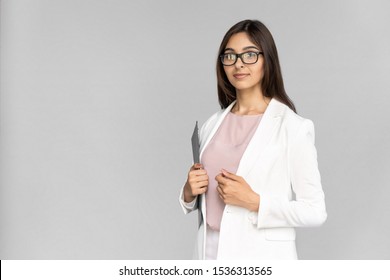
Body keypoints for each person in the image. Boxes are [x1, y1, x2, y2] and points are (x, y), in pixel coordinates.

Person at [179, 19, 327, 260]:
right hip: (208, 252)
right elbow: (204, 201)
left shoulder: (294, 128)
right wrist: (187, 193)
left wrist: (255, 202)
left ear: (267, 60)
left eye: (249, 55)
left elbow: (315, 212)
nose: (238, 64)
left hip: (261, 256)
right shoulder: (211, 125)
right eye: (230, 56)